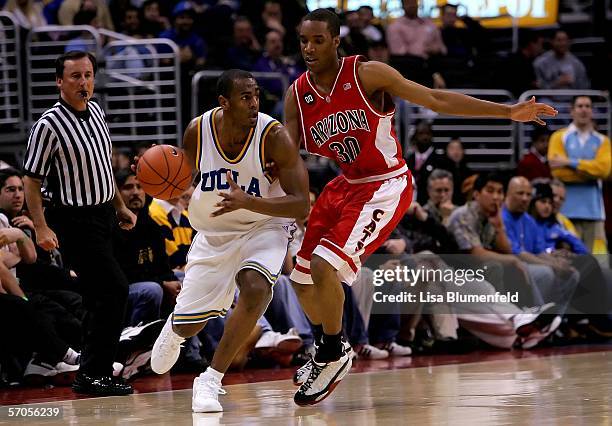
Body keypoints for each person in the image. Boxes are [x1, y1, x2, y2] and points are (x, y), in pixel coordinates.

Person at [285, 8, 557, 406]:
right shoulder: (297, 94)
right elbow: (288, 156)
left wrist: (507, 112)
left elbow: (434, 98)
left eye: (318, 40)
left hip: (385, 184)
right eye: (304, 41)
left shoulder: (368, 74)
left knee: (326, 265)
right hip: (342, 186)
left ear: (336, 40)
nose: (309, 48)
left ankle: (330, 353)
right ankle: (333, 346)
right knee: (301, 278)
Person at [149, 69, 310, 413]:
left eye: (256, 96)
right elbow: (178, 180)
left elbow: (301, 203)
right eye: (245, 97)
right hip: (215, 230)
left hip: (264, 225)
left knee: (256, 287)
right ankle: (177, 328)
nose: (254, 104)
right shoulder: (199, 130)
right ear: (224, 102)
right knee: (192, 321)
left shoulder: (274, 136)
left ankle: (210, 379)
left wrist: (249, 201)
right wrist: (154, 177)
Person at [23, 51, 137, 396]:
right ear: (59, 81)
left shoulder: (98, 111)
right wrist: (41, 227)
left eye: (88, 75)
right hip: (73, 220)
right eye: (75, 76)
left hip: (103, 213)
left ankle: (93, 371)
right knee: (113, 290)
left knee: (98, 299)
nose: (83, 82)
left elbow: (102, 165)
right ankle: (94, 372)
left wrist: (118, 205)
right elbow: (31, 180)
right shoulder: (48, 125)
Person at [548, 95, 611, 258]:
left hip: (594, 212)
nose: (584, 109)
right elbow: (558, 172)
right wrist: (590, 171)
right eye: (580, 106)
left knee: (597, 262)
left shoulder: (603, 141)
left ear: (592, 111)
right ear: (572, 110)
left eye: (588, 106)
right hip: (565, 210)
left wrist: (569, 162)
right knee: (567, 261)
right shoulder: (558, 137)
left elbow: (604, 170)